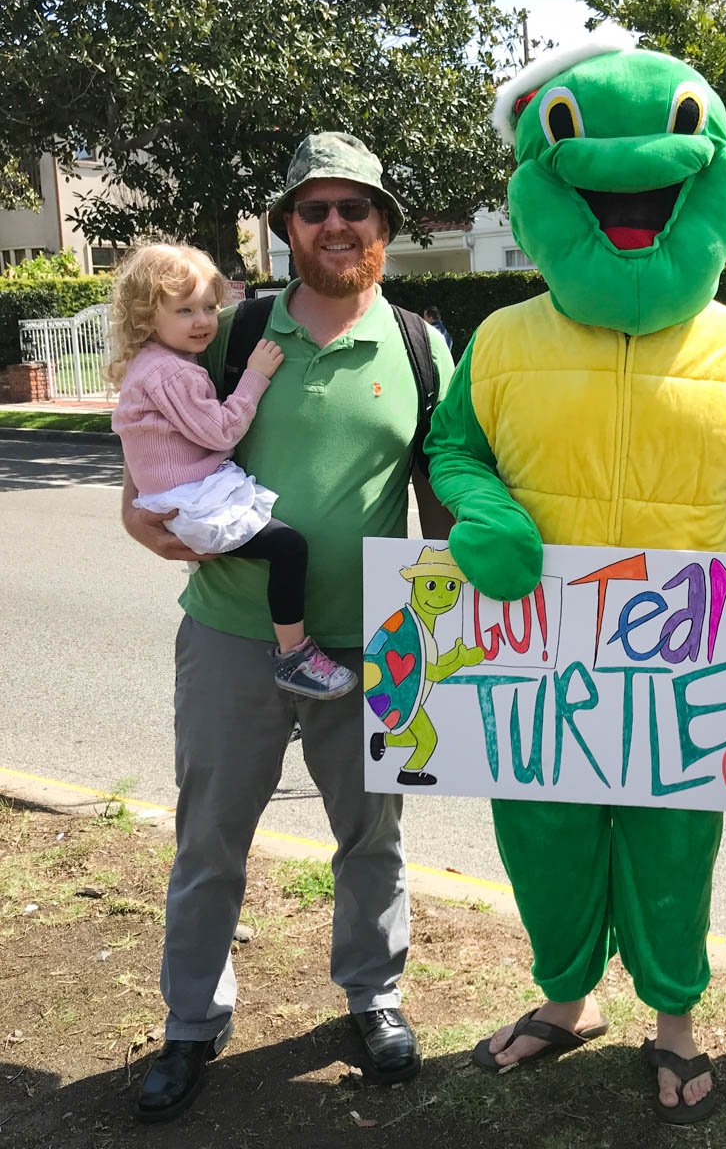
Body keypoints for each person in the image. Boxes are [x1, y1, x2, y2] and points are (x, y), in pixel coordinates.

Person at [426, 26, 726, 1125]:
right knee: (544, 842)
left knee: (670, 850)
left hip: (682, 671)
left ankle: (673, 1019)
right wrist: (482, 510)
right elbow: (453, 449)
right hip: (531, 666)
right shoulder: (501, 340)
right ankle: (565, 999)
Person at [122, 131, 455, 1123]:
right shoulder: (233, 332)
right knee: (211, 838)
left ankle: (373, 994)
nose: (338, 224)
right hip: (231, 633)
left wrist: (475, 594)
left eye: (357, 207)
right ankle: (191, 1023)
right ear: (287, 229)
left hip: (376, 642)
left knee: (372, 836)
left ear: (383, 227)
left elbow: (440, 494)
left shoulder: (419, 346)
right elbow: (154, 450)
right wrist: (136, 516)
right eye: (315, 209)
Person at [109, 242, 357, 701]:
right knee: (288, 547)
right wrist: (256, 375)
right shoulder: (171, 373)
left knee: (282, 544)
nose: (203, 321)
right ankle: (295, 654)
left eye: (208, 306)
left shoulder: (159, 363)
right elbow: (220, 432)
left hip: (186, 491)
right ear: (147, 316)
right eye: (185, 310)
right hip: (192, 498)